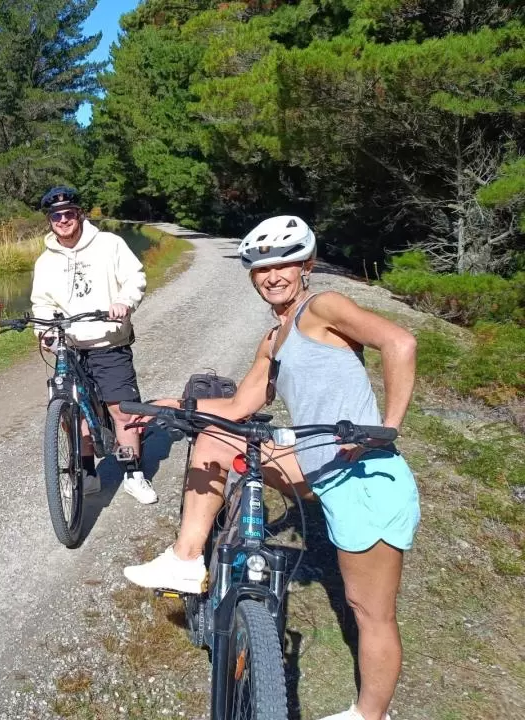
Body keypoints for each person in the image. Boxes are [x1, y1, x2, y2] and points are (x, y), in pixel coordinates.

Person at [123, 216, 420, 720]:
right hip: (311, 466)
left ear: (306, 265)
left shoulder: (322, 307)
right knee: (216, 439)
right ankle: (187, 557)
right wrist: (167, 405)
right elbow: (238, 406)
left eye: (283, 262)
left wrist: (386, 427)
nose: (272, 274)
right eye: (260, 267)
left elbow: (400, 343)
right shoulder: (274, 338)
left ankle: (371, 715)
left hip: (364, 475)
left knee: (370, 612)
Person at [30, 186, 157, 504]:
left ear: (79, 214)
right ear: (50, 221)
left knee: (121, 410)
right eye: (56, 216)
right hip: (69, 345)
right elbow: (41, 303)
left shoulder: (109, 244)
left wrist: (124, 301)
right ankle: (87, 473)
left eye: (69, 213)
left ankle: (133, 474)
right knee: (72, 414)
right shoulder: (45, 262)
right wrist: (43, 329)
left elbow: (134, 277)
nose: (63, 220)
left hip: (107, 340)